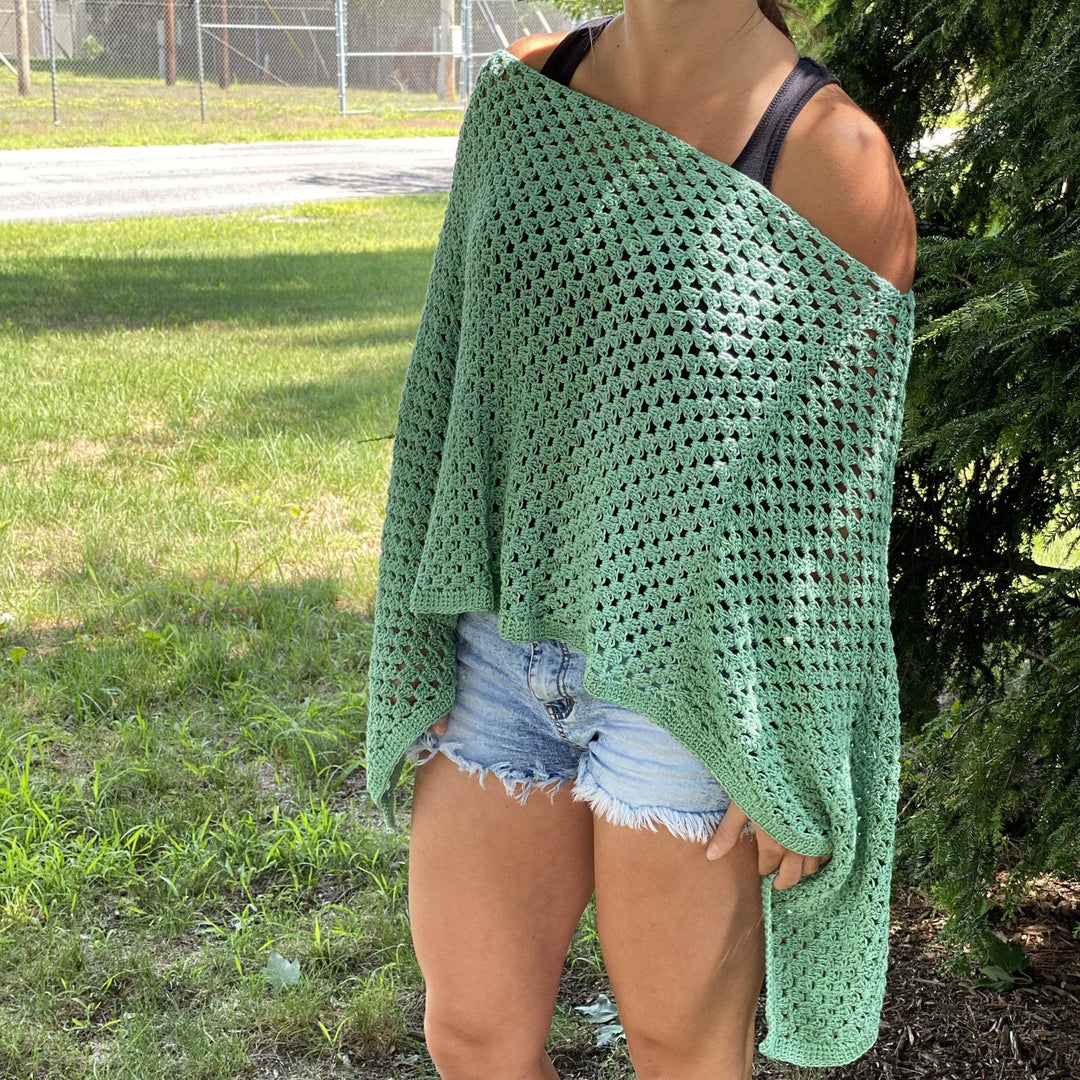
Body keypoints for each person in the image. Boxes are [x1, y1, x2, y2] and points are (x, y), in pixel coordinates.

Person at [368, 2, 918, 1078]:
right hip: (495, 645)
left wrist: (795, 753)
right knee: (470, 1034)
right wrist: (419, 616)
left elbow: (832, 517)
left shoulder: (832, 158)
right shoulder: (526, 91)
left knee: (681, 1053)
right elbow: (451, 374)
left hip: (689, 687)